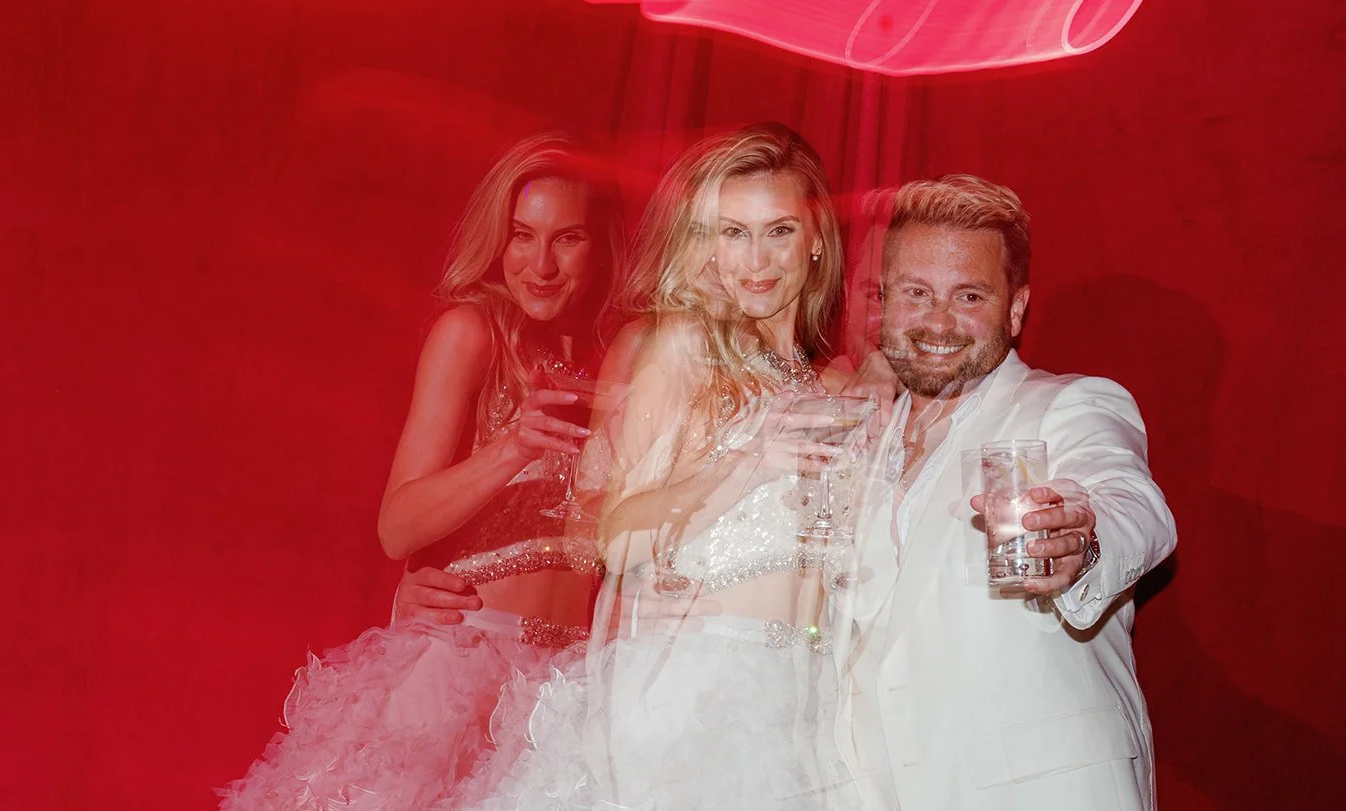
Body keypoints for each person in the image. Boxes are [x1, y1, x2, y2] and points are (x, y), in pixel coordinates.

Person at [448, 122, 871, 811]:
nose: (756, 259)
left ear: (817, 239)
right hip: (688, 704)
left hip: (804, 712)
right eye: (732, 232)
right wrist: (747, 465)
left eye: (780, 231)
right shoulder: (678, 356)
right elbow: (614, 538)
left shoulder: (842, 391)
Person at [220, 134, 626, 811]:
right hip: (467, 671)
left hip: (567, 690)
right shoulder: (473, 335)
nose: (542, 264)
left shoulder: (622, 360)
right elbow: (398, 525)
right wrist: (511, 447)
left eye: (568, 238)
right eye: (523, 236)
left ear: (604, 245)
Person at [840, 175, 1176, 810]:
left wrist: (1084, 540)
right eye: (916, 293)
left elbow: (1132, 502)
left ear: (1016, 308)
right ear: (886, 299)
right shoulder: (860, 433)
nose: (937, 322)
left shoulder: (1065, 406)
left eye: (969, 295)